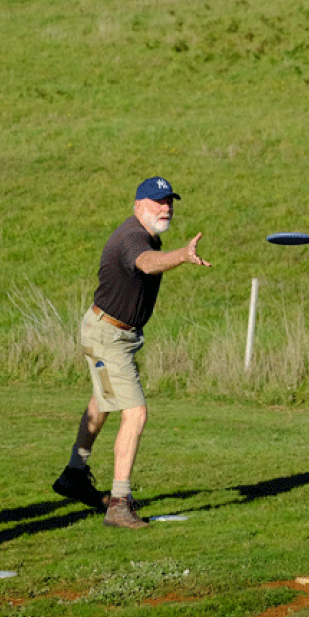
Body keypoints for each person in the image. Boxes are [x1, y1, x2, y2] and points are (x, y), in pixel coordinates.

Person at [52, 177, 211, 528]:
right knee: (135, 413)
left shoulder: (146, 234)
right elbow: (148, 263)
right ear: (138, 205)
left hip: (113, 334)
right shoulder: (132, 238)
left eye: (169, 201)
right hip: (108, 337)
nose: (166, 207)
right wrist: (183, 256)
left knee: (103, 400)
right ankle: (119, 504)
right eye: (157, 202)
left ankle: (74, 475)